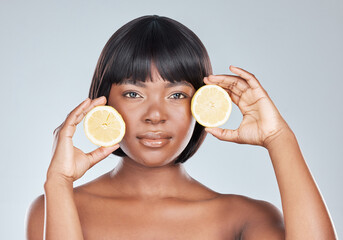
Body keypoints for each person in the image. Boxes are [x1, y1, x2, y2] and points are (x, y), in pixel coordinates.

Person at [25, 15, 337, 239]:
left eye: (176, 95)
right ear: (104, 102)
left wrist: (279, 138)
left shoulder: (244, 217)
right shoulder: (57, 204)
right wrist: (59, 182)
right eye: (134, 94)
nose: (155, 115)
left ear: (201, 104)